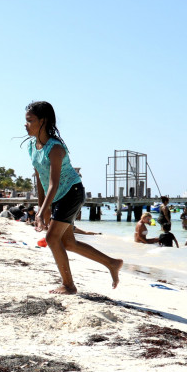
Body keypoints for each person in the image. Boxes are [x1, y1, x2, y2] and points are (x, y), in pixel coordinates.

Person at [24, 101, 121, 293]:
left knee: (52, 239)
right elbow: (40, 181)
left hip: (71, 193)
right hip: (58, 196)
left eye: (30, 120)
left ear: (43, 121)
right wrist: (42, 208)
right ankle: (112, 263)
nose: (25, 125)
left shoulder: (55, 148)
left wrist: (42, 212)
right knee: (68, 243)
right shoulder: (31, 147)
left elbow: (54, 183)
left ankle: (68, 285)